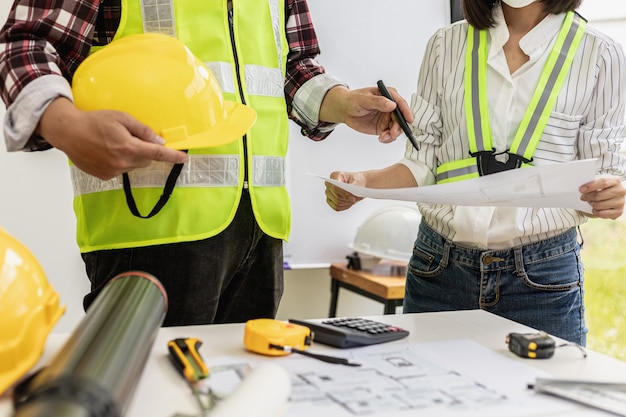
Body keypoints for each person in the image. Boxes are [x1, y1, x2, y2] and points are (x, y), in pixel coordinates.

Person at [0, 0, 413, 326]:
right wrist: (66, 126)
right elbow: (25, 44)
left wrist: (340, 103)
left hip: (261, 228)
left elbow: (292, 66)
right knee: (152, 395)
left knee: (236, 392)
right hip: (153, 225)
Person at [325, 0, 626, 346]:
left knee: (540, 398)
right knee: (428, 393)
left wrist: (610, 196)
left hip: (542, 279)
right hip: (439, 271)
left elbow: (602, 178)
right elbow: (421, 165)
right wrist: (363, 184)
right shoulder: (445, 45)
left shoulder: (600, 55)